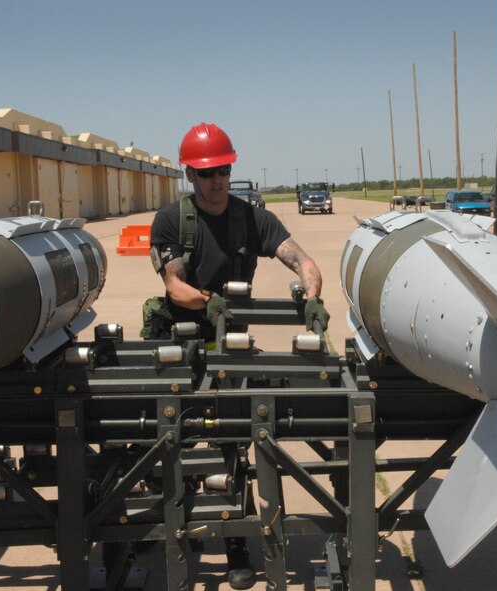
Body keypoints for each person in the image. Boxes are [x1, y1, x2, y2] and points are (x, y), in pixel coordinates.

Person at [148, 122, 329, 590]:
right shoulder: (172, 220)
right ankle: (179, 535)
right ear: (190, 174)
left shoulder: (253, 219)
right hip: (180, 339)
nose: (218, 180)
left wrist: (311, 292)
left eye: (224, 170)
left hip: (229, 345)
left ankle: (235, 543)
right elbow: (174, 285)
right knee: (174, 444)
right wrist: (206, 301)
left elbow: (303, 260)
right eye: (208, 173)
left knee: (232, 442)